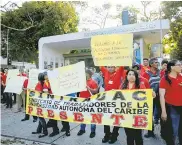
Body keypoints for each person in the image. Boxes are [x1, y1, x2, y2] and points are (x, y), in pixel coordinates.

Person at [159, 60, 182, 145]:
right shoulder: (165, 79)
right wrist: (163, 112)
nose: (181, 66)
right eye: (179, 65)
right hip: (172, 108)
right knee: (174, 130)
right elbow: (161, 96)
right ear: (172, 67)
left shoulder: (181, 76)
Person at [100, 66, 124, 144]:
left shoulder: (119, 72)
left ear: (115, 68)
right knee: (106, 118)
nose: (110, 68)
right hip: (107, 99)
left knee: (116, 118)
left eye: (112, 67)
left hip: (117, 99)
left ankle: (114, 136)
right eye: (108, 67)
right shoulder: (105, 72)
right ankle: (107, 135)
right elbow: (100, 62)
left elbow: (122, 64)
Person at [77, 69, 98, 138]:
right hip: (82, 102)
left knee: (92, 117)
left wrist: (89, 88)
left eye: (85, 73)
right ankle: (82, 129)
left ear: (89, 74)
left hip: (91, 102)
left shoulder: (93, 82)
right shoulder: (82, 82)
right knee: (83, 116)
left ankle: (93, 131)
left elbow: (96, 91)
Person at [143, 58, 160, 137]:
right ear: (151, 64)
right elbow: (144, 85)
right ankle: (150, 131)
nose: (157, 63)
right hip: (150, 96)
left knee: (161, 112)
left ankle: (163, 132)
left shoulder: (160, 72)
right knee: (150, 114)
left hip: (160, 96)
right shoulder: (146, 73)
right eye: (156, 62)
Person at [32, 73, 48, 138]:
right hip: (40, 102)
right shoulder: (42, 83)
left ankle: (45, 132)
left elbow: (38, 92)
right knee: (40, 118)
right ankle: (38, 130)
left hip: (39, 103)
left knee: (41, 118)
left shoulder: (41, 84)